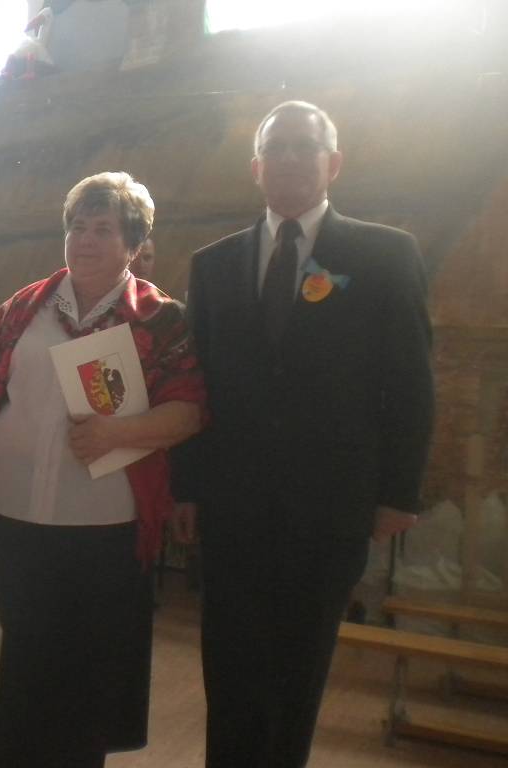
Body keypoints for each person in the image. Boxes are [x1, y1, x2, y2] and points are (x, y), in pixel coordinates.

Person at [172, 100, 434, 768]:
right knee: (229, 665)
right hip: (232, 505)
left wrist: (398, 494)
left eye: (304, 146)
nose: (289, 158)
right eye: (276, 147)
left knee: (299, 668)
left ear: (333, 163)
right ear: (256, 167)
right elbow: (196, 385)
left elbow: (410, 381)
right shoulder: (214, 264)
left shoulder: (385, 254)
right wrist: (187, 488)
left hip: (331, 503)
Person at [0, 171, 205, 768]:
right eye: (77, 227)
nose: (84, 240)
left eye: (103, 229)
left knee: (85, 683)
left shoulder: (160, 319)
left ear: (133, 244)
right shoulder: (21, 310)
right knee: (20, 671)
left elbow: (189, 412)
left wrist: (117, 433)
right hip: (14, 520)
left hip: (105, 529)